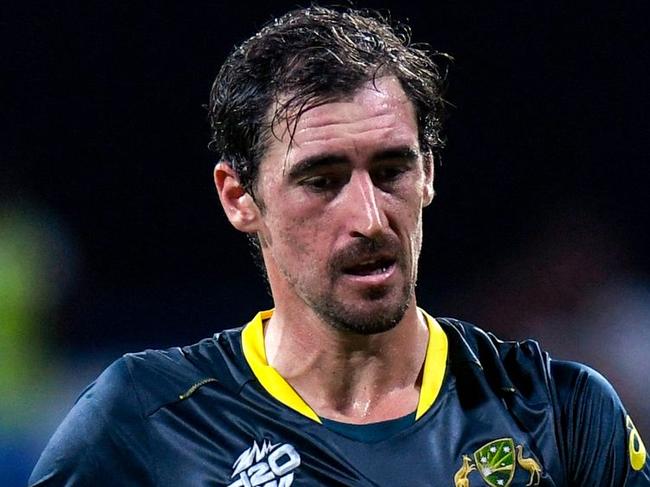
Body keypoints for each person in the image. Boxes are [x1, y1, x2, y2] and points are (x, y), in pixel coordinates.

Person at [30, 6, 649, 486]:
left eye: (391, 170)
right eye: (321, 181)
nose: (370, 217)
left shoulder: (559, 414)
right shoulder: (147, 422)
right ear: (239, 196)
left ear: (428, 174)